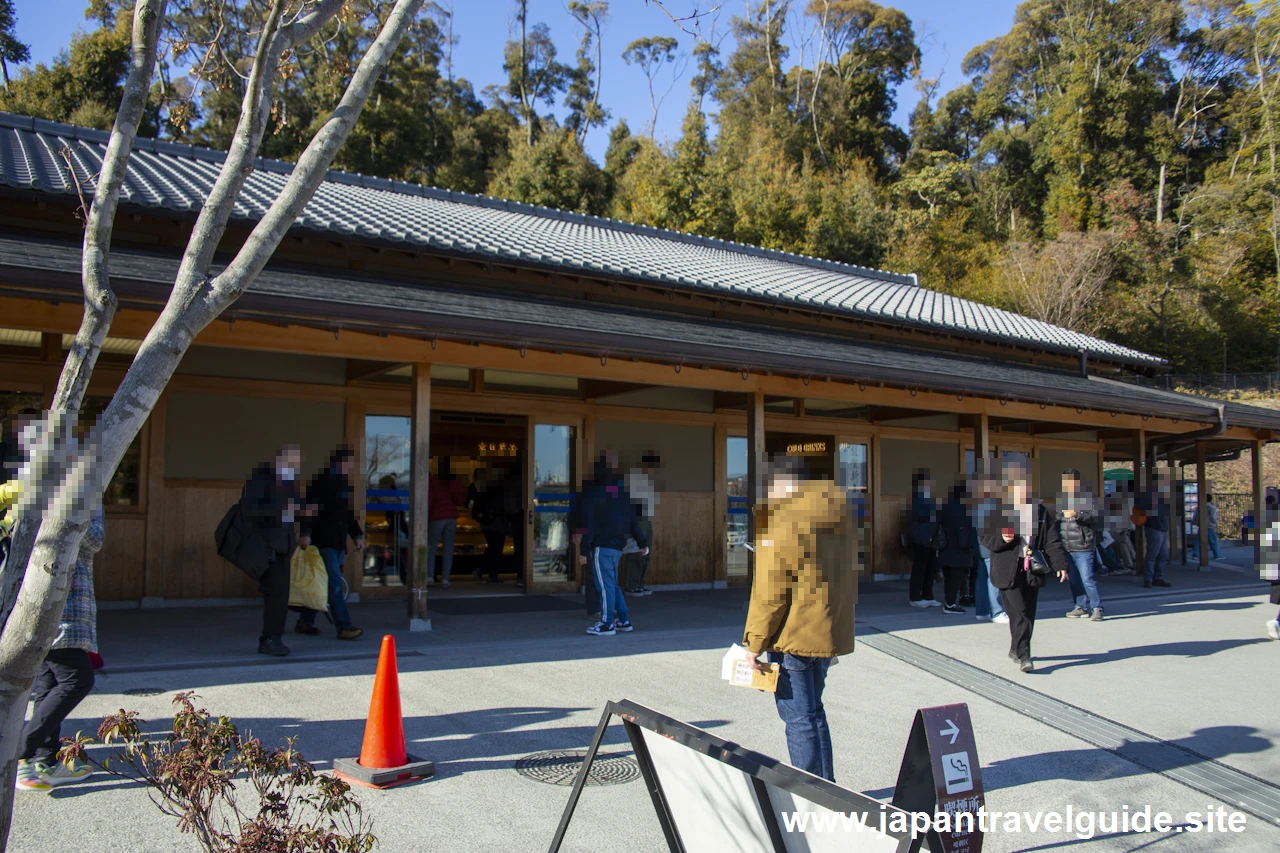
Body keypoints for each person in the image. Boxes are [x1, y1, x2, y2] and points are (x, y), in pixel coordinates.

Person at [743, 456, 857, 782]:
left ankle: (810, 790)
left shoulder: (781, 523)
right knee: (814, 713)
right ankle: (827, 786)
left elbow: (770, 593)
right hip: (825, 629)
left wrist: (753, 644)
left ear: (779, 485)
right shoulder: (836, 516)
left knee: (798, 717)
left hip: (792, 633)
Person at [14, 496, 104, 791]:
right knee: (77, 679)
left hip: (41, 601)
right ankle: (20, 751)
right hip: (61, 604)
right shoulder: (78, 486)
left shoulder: (39, 482)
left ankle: (45, 761)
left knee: (49, 683)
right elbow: (93, 538)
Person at [978, 467, 1070, 673]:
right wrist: (1003, 539)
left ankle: (1015, 648)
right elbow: (984, 537)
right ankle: (1024, 655)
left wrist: (1060, 565)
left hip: (1032, 568)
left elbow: (1052, 540)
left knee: (1028, 612)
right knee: (1019, 613)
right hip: (1006, 568)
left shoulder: (1040, 511)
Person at [243, 445, 314, 656]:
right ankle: (270, 639)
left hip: (284, 545)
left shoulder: (291, 484)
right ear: (280, 460)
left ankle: (273, 637)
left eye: (298, 461)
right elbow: (250, 510)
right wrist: (282, 509)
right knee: (275, 593)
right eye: (292, 461)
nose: (296, 465)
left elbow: (299, 509)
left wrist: (305, 531)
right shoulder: (261, 480)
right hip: (266, 545)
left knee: (280, 594)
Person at [296, 446, 364, 641]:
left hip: (336, 542)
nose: (352, 467)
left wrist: (356, 535)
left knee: (323, 583)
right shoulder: (321, 482)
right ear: (341, 463)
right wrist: (306, 533)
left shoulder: (342, 484)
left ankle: (305, 621)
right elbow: (308, 509)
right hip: (323, 541)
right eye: (351, 463)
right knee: (334, 584)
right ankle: (344, 626)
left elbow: (347, 514)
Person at [579, 451, 648, 636]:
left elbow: (590, 523)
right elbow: (632, 520)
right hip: (618, 547)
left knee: (604, 586)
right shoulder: (622, 495)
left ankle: (606, 623)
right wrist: (642, 542)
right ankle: (623, 620)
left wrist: (584, 550)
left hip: (602, 546)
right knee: (613, 585)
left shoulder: (596, 494)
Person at [1057, 469, 1104, 621]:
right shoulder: (1063, 498)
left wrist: (1077, 514)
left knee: (1087, 578)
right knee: (1074, 579)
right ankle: (1080, 606)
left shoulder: (1088, 497)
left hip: (1083, 545)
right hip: (1067, 544)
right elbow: (1059, 518)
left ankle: (1097, 607)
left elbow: (1096, 516)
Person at [969, 472, 1007, 624]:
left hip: (979, 545)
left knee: (982, 579)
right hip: (991, 545)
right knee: (993, 579)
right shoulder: (992, 504)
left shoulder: (975, 503)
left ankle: (982, 611)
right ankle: (996, 611)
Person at [426, 458, 467, 587]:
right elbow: (460, 500)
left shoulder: (433, 481)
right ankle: (445, 579)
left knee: (431, 549)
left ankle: (429, 577)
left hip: (436, 516)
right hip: (451, 518)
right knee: (448, 550)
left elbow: (429, 499)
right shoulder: (453, 482)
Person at [624, 454, 659, 596]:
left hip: (647, 519)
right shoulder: (634, 479)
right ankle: (631, 585)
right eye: (651, 467)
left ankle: (641, 583)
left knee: (646, 551)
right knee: (635, 553)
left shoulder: (649, 482)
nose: (653, 470)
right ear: (645, 466)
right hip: (636, 519)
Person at [937, 483, 974, 614]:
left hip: (945, 546)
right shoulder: (967, 509)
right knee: (958, 578)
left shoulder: (944, 506)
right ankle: (951, 604)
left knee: (949, 578)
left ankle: (949, 601)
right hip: (961, 549)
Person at [906, 471, 942, 608]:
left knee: (931, 567)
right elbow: (919, 518)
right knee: (919, 567)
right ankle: (915, 596)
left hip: (931, 537)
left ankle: (928, 595)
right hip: (921, 538)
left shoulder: (927, 497)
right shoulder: (916, 499)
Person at [1136, 471, 1173, 589]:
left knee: (1163, 555)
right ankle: (1148, 579)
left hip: (1162, 527)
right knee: (1153, 554)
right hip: (1153, 527)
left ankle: (1158, 577)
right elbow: (1141, 508)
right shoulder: (1148, 494)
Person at [1190, 493, 1221, 562]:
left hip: (1201, 525)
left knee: (1199, 541)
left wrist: (1197, 522)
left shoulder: (1199, 507)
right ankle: (1217, 555)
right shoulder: (1212, 508)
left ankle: (1195, 554)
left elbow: (1195, 517)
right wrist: (1214, 523)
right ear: (1210, 499)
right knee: (1213, 541)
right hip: (1210, 526)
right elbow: (1213, 517)